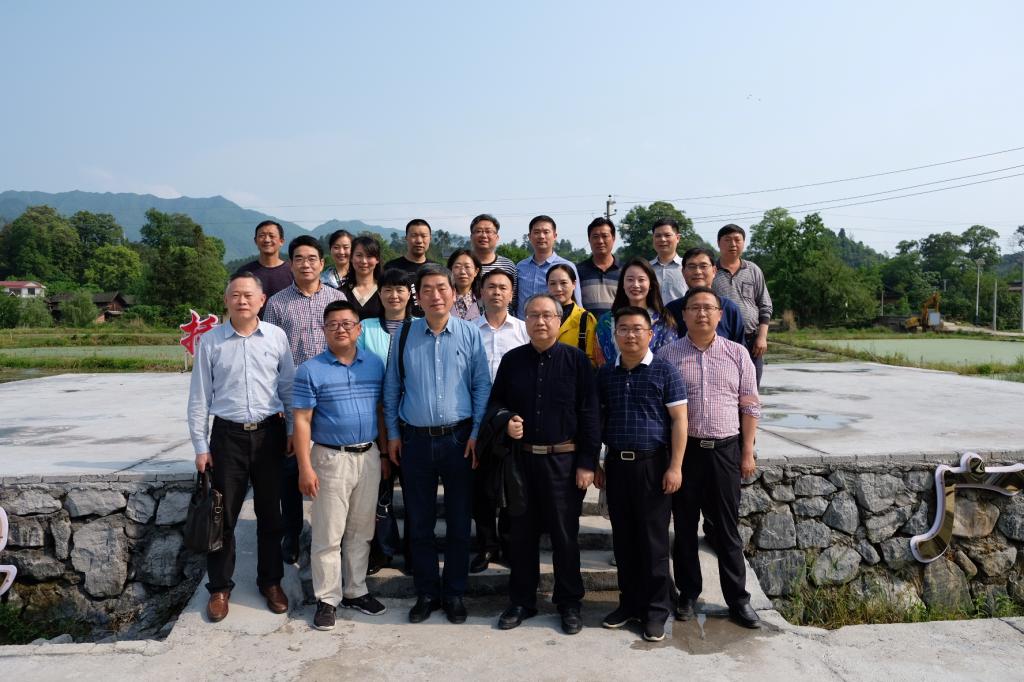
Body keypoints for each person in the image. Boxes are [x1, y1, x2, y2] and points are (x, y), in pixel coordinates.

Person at [383, 264, 491, 625]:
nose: (435, 295)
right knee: (420, 522)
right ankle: (427, 592)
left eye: (442, 288)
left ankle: (455, 592)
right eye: (427, 289)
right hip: (415, 440)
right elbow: (392, 388)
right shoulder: (404, 333)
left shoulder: (470, 333)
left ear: (453, 292)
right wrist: (393, 435)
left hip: (460, 439)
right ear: (418, 296)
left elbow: (481, 385)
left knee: (459, 522)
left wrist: (476, 433)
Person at [488, 294, 600, 635]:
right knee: (521, 536)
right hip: (522, 462)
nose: (540, 321)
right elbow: (495, 403)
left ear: (558, 320)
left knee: (565, 537)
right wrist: (506, 420)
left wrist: (587, 462)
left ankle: (569, 602)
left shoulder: (577, 361)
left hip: (564, 463)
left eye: (547, 315)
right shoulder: (512, 361)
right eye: (533, 315)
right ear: (525, 320)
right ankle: (522, 601)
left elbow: (590, 414)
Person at [187, 272, 294, 623]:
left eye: (249, 295)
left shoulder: (276, 337)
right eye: (235, 295)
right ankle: (219, 587)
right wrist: (201, 446)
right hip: (227, 437)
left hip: (270, 434)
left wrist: (292, 431)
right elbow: (199, 398)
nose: (242, 300)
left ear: (262, 300)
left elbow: (289, 389)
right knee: (223, 516)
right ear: (226, 300)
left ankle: (271, 582)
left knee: (271, 514)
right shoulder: (211, 342)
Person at [656, 286, 762, 630]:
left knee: (726, 529)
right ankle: (688, 593)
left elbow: (750, 405)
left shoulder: (738, 353)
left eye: (708, 308)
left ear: (720, 314)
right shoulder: (668, 355)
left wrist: (747, 451)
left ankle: (738, 599)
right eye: (694, 308)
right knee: (685, 527)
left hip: (725, 452)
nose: (701, 313)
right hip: (685, 454)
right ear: (684, 315)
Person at [292, 301, 388, 630]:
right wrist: (305, 467)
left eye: (347, 323)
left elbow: (380, 411)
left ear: (359, 329)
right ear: (324, 330)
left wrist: (384, 454)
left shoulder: (374, 364)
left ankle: (356, 591)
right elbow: (302, 420)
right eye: (333, 324)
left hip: (369, 455)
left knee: (361, 531)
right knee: (328, 533)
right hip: (330, 458)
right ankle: (327, 599)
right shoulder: (310, 370)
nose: (341, 329)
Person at [595, 306, 687, 642]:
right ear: (615, 334)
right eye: (623, 329)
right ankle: (629, 603)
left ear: (650, 334)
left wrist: (675, 466)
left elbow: (679, 420)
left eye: (637, 329)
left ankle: (656, 610)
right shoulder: (605, 374)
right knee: (624, 539)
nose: (630, 334)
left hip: (653, 466)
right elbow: (597, 421)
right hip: (617, 466)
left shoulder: (665, 371)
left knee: (654, 542)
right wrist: (597, 463)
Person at [263, 235, 347, 564]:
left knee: (333, 462)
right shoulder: (277, 304)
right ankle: (293, 532)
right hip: (294, 395)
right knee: (291, 466)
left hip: (332, 394)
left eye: (312, 258)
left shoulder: (337, 298)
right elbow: (268, 353)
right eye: (299, 258)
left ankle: (335, 532)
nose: (306, 264)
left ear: (322, 263)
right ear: (291, 263)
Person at [355, 267, 417, 575]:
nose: (394, 295)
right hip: (374, 420)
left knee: (415, 493)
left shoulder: (419, 327)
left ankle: (414, 551)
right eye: (388, 289)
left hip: (413, 420)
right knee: (378, 492)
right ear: (379, 294)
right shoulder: (365, 328)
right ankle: (381, 550)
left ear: (410, 294)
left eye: (400, 289)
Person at [470, 268, 529, 573]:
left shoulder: (523, 330)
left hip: (512, 418)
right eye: (490, 286)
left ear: (511, 294)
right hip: (479, 418)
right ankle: (486, 545)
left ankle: (508, 543)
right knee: (481, 487)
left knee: (511, 483)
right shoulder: (468, 330)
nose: (496, 292)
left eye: (503, 287)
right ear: (480, 292)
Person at [712, 224, 773, 387]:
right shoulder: (711, 272)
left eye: (737, 240)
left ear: (743, 242)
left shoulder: (753, 270)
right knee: (724, 386)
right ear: (718, 243)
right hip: (721, 340)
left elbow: (765, 305)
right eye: (727, 240)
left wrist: (762, 337)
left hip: (751, 340)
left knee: (751, 387)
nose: (733, 244)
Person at [594, 258, 676, 366]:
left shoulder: (664, 321)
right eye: (630, 280)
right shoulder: (606, 321)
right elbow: (601, 362)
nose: (635, 285)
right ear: (622, 284)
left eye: (641, 280)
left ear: (651, 284)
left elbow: (670, 360)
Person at [664, 247, 745, 343]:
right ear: (683, 272)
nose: (697, 272)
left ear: (714, 271)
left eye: (703, 266)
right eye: (691, 266)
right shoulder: (671, 309)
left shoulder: (729, 308)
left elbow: (739, 346)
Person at [515, 215, 581, 313]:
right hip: (523, 322)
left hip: (556, 322)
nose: (541, 236)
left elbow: (577, 302)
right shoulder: (520, 267)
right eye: (536, 232)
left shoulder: (567, 266)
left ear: (554, 236)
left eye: (546, 232)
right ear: (529, 237)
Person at [235, 220, 292, 318]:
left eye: (271, 236)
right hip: (253, 326)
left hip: (286, 326)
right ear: (255, 241)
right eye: (262, 236)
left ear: (281, 241)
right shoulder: (244, 273)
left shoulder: (293, 271)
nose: (267, 240)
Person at [546, 263, 597, 366]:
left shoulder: (585, 318)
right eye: (552, 283)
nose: (558, 288)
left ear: (574, 284)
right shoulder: (540, 317)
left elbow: (592, 360)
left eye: (563, 283)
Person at [384, 218, 437, 317]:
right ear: (406, 238)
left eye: (423, 236)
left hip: (430, 322)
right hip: (399, 322)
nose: (419, 241)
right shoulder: (391, 267)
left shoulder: (436, 269)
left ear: (430, 238)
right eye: (414, 235)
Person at [469, 214, 518, 313]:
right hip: (466, 321)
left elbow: (514, 299)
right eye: (478, 231)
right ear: (471, 236)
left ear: (497, 237)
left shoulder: (508, 265)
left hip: (502, 320)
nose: (483, 235)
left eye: (488, 231)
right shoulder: (463, 264)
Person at [575, 217, 620, 318]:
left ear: (613, 238)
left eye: (605, 236)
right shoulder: (578, 271)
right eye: (595, 236)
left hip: (618, 326)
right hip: (587, 326)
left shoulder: (625, 271)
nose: (600, 241)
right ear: (589, 240)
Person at [342, 235, 384, 320]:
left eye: (369, 256)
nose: (364, 261)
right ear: (351, 258)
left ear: (377, 259)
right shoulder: (341, 293)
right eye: (359, 255)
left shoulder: (385, 290)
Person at [649, 218, 687, 304]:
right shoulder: (646, 269)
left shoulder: (687, 267)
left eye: (667, 235)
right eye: (658, 236)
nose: (662, 239)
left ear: (677, 238)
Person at [447, 248, 482, 321]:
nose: (462, 272)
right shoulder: (442, 299)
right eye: (457, 266)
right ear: (450, 270)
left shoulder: (483, 300)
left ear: (476, 271)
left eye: (467, 267)